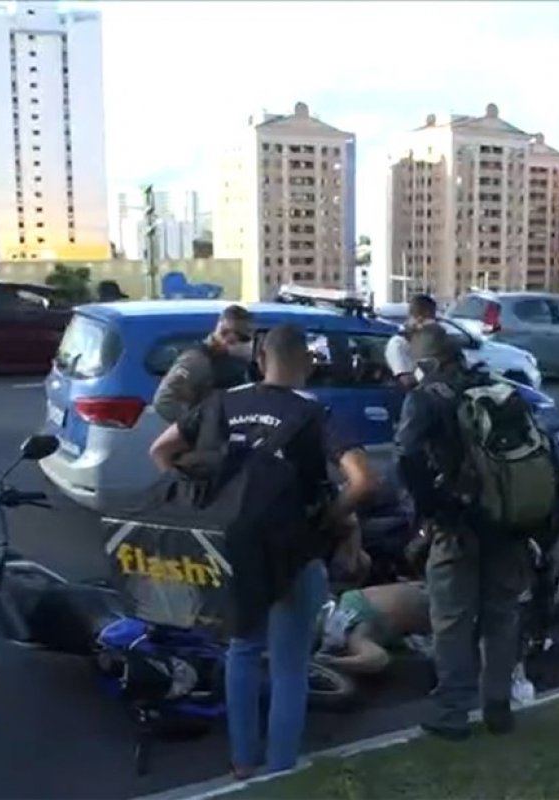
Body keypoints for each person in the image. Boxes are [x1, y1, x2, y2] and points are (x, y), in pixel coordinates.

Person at [148, 323, 377, 779]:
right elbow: (366, 481)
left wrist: (202, 504)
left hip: (233, 548)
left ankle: (242, 762)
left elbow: (162, 449)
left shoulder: (222, 402)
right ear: (307, 363)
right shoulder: (315, 414)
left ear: (258, 360)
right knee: (291, 663)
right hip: (294, 553)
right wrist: (330, 517)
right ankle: (281, 767)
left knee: (242, 649)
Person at [395, 324, 528, 740]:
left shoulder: (426, 398)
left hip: (457, 524)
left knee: (451, 619)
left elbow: (406, 459)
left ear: (427, 363)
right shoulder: (497, 388)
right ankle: (499, 705)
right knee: (501, 615)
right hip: (507, 519)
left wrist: (429, 515)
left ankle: (454, 711)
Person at [152, 304, 254, 424]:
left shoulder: (235, 359)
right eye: (243, 339)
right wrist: (200, 427)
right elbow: (165, 401)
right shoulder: (198, 360)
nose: (246, 344)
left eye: (246, 339)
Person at [317, 581, 431, 675]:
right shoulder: (356, 632)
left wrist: (331, 662)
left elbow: (378, 659)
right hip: (427, 606)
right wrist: (330, 662)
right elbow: (377, 659)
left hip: (425, 607)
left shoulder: (350, 617)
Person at [384, 294, 438, 389]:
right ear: (419, 319)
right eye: (429, 322)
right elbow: (406, 381)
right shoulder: (398, 344)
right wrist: (428, 372)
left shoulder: (424, 342)